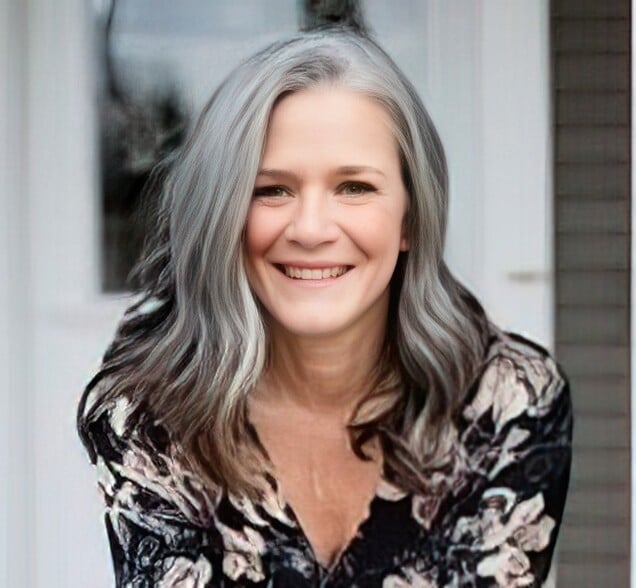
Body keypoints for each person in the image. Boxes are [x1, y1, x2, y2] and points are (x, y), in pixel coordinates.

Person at [77, 28, 573, 587]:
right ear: (225, 216)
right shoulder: (150, 414)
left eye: (354, 187)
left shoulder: (508, 402)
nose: (311, 230)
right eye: (272, 190)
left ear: (411, 219)